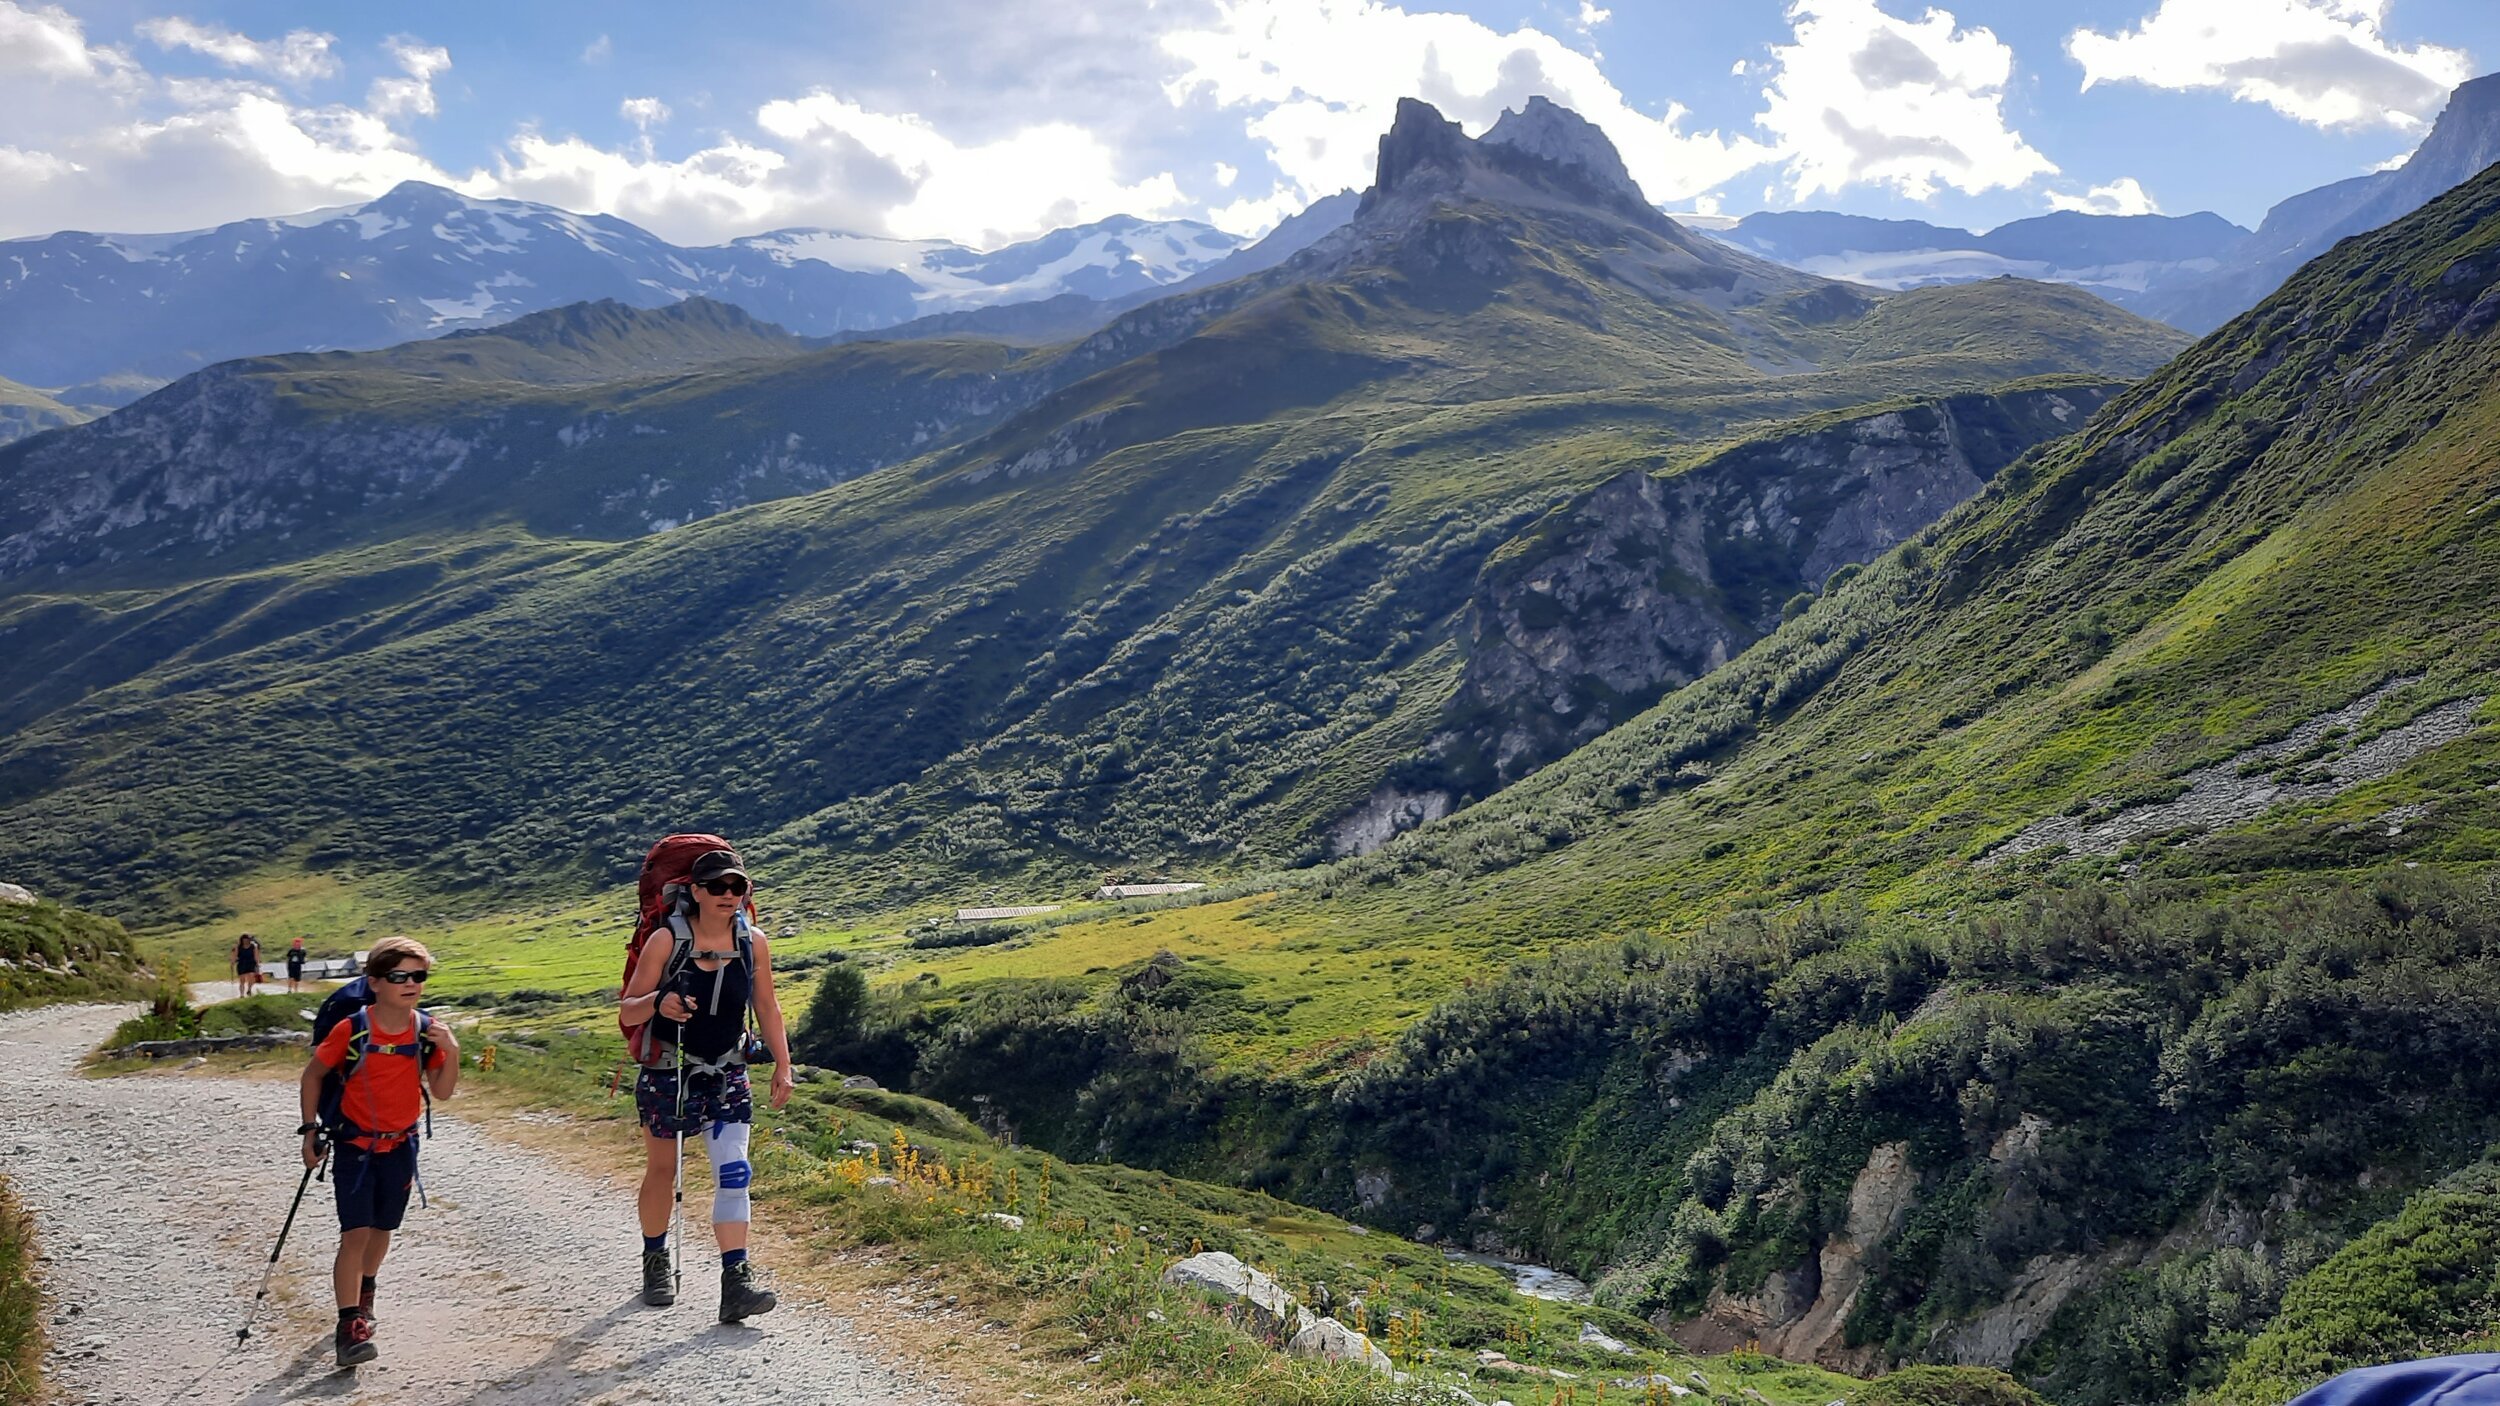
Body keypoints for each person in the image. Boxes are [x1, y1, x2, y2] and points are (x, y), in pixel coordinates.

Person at [618, 845, 793, 1322]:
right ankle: (655, 1258)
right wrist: (660, 1001)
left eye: (737, 887)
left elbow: (768, 1007)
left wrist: (783, 1064)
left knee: (735, 1171)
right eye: (716, 886)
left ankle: (736, 1282)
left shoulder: (751, 942)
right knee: (663, 1172)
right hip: (668, 1071)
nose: (727, 895)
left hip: (727, 1069)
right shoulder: (664, 941)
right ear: (694, 892)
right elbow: (629, 1010)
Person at [298, 937, 458, 1367]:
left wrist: (453, 1050)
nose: (411, 984)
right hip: (354, 1146)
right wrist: (310, 1130)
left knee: (383, 1229)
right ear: (374, 983)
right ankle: (349, 1326)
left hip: (401, 1146)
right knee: (355, 1234)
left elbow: (441, 1092)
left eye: (418, 976)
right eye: (398, 977)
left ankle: (366, 1292)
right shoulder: (352, 1029)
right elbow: (313, 1075)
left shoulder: (426, 1030)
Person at [233, 932, 261, 998]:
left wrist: (257, 964)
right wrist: (233, 962)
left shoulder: (253, 946)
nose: (246, 941)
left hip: (251, 963)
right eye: (244, 940)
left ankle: (249, 990)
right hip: (242, 963)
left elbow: (256, 955)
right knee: (242, 980)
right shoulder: (238, 947)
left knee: (251, 977)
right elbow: (235, 955)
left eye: (247, 939)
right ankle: (242, 994)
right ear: (242, 940)